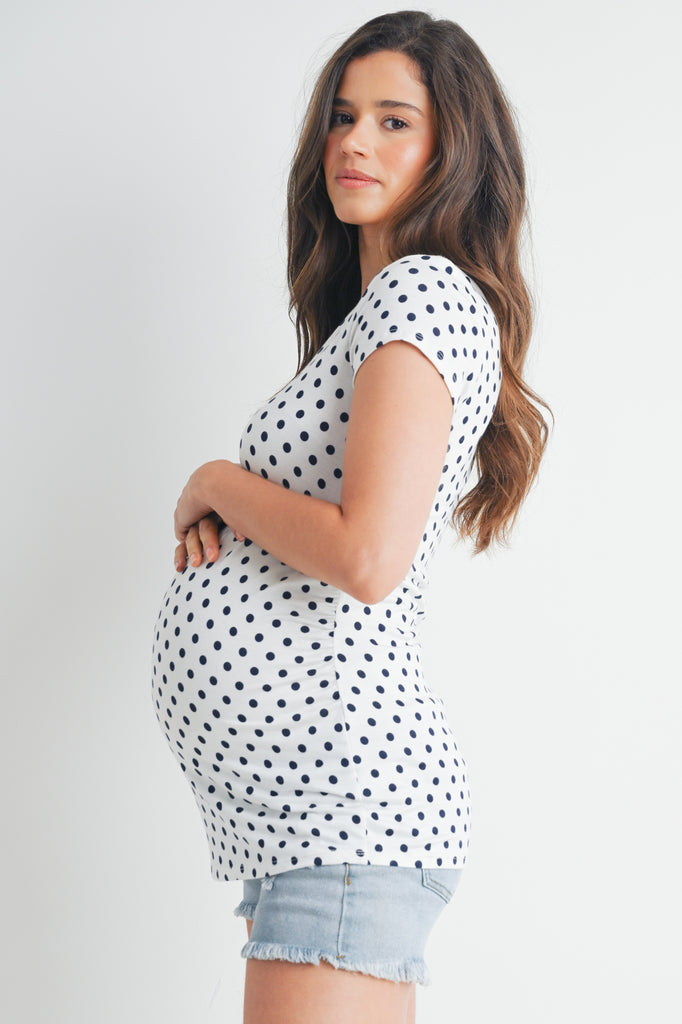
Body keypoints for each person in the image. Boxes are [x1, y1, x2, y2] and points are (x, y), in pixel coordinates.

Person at [151, 10, 549, 1023]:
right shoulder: (376, 313)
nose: (354, 142)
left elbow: (365, 554)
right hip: (314, 821)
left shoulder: (420, 293)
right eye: (340, 116)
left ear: (450, 151)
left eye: (392, 121)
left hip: (345, 813)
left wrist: (216, 481)